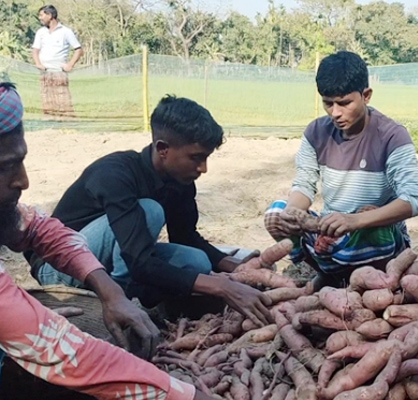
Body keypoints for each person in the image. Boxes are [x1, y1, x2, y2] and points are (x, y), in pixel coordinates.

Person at [0, 82, 215, 400]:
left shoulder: (180, 182)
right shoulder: (116, 172)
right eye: (6, 166)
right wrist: (187, 395)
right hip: (57, 275)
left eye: (20, 161)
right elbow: (67, 354)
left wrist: (110, 291)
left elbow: (42, 229)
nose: (23, 180)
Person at [26, 95, 272, 327]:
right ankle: (120, 301)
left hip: (118, 260)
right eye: (196, 157)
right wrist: (221, 287)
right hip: (61, 269)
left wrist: (235, 267)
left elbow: (185, 237)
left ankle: (132, 293)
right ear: (163, 148)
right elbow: (140, 262)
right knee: (151, 211)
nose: (203, 168)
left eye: (206, 158)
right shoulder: (116, 174)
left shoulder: (180, 180)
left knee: (196, 261)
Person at [264, 51, 418, 290]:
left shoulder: (391, 135)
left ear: (366, 96)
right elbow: (304, 185)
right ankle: (326, 274)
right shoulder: (315, 133)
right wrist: (293, 214)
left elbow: (416, 199)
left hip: (372, 234)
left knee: (372, 224)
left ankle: (368, 281)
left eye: (344, 103)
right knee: (276, 214)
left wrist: (354, 221)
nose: (335, 113)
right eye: (328, 103)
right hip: (331, 231)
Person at [32, 5, 82, 117]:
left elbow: (78, 50)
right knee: (46, 97)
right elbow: (35, 50)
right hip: (45, 71)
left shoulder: (66, 31)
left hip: (59, 71)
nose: (40, 18)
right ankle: (50, 121)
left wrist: (70, 65)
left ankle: (68, 121)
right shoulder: (41, 32)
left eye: (41, 15)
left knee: (62, 97)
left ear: (50, 15)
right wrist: (38, 63)